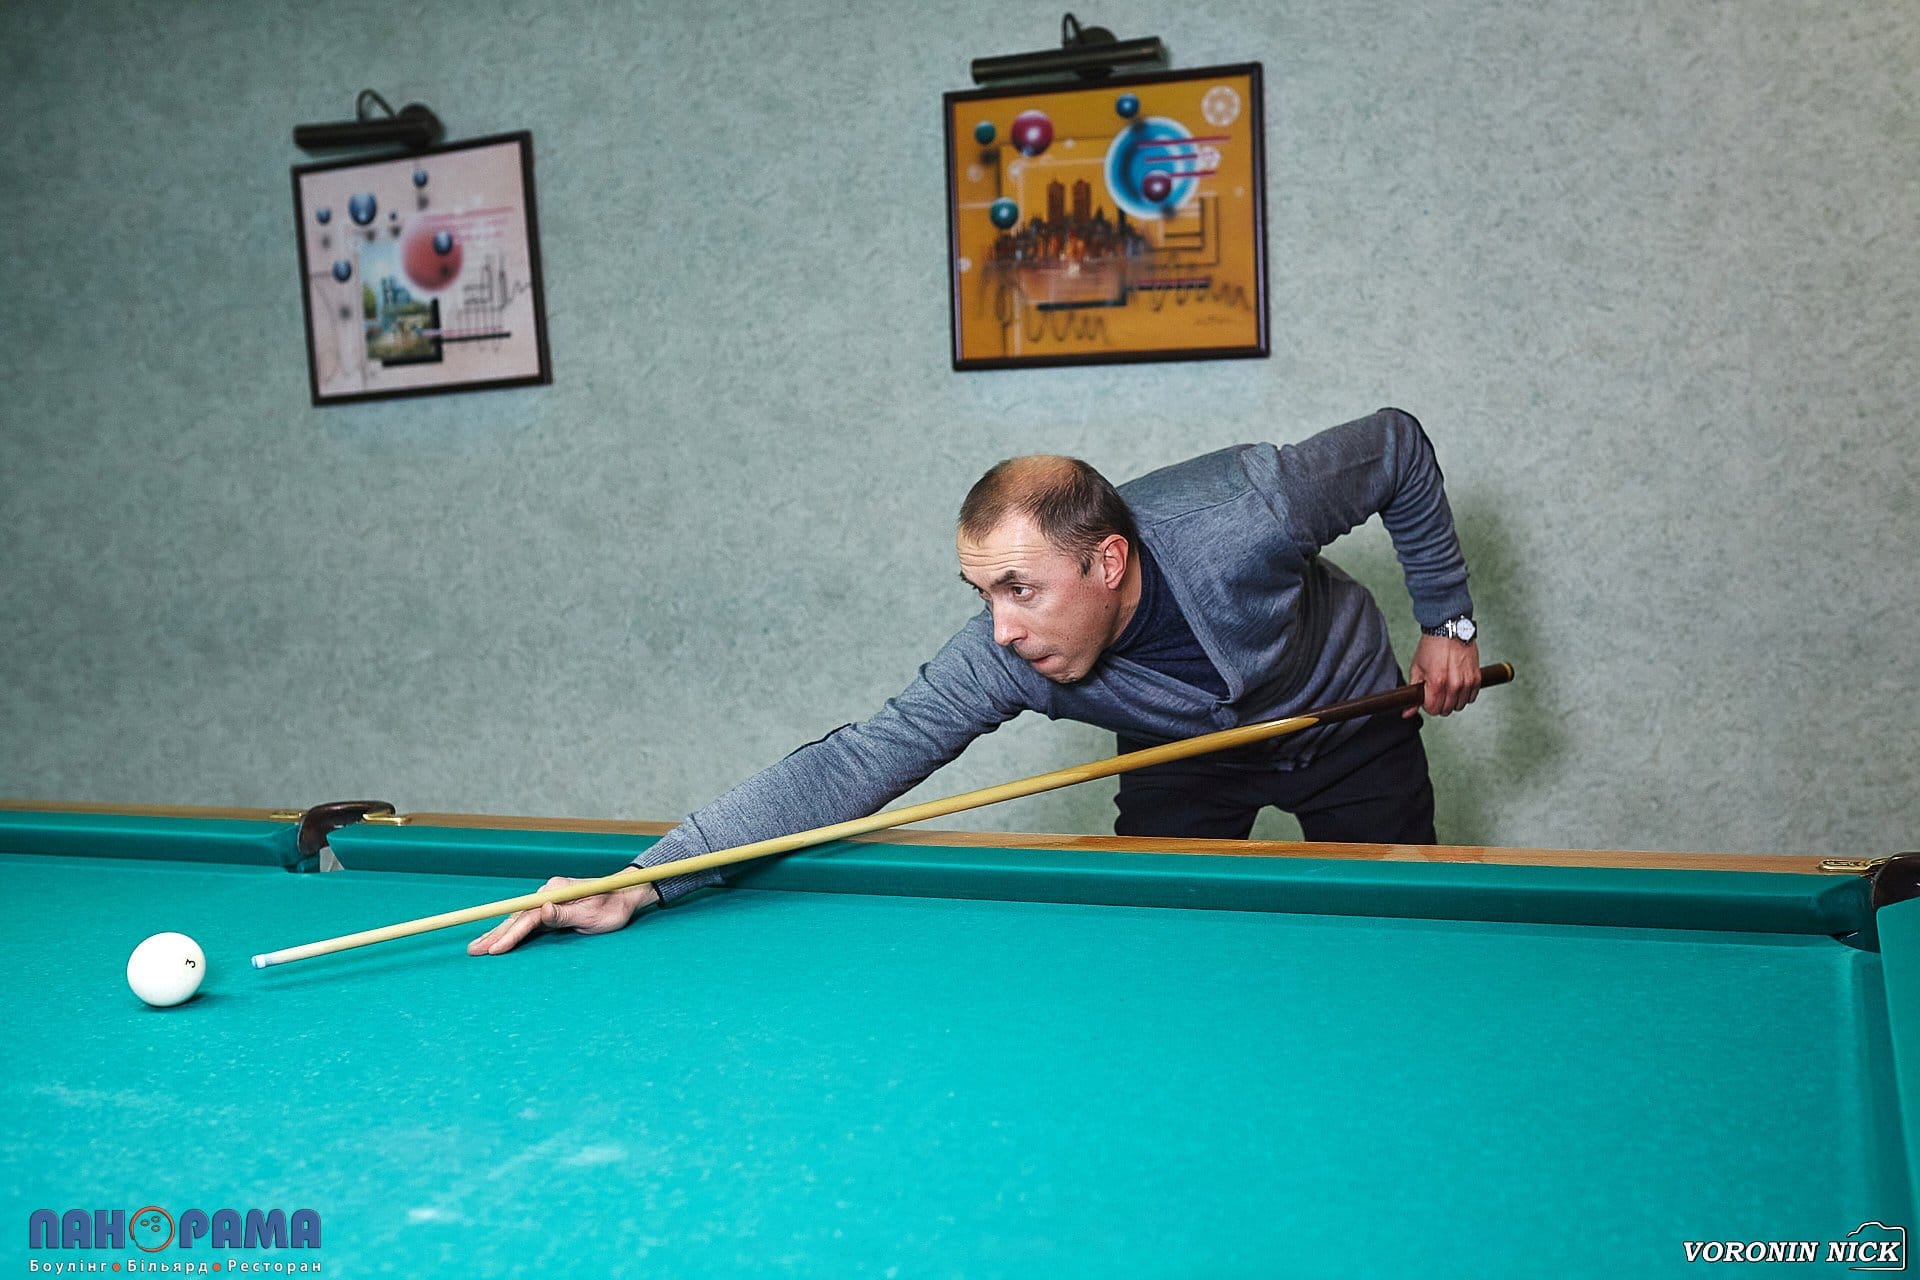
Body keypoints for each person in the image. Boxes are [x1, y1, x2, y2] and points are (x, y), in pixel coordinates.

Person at [469, 407, 1482, 956]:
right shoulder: (1009, 652)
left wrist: (1447, 621)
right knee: (1152, 947)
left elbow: (1395, 447)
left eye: (1021, 588)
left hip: (1353, 722)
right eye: (983, 591)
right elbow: (852, 765)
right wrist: (642, 878)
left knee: (1412, 936)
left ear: (1108, 562)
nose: (1002, 626)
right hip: (1186, 759)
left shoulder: (1244, 507)